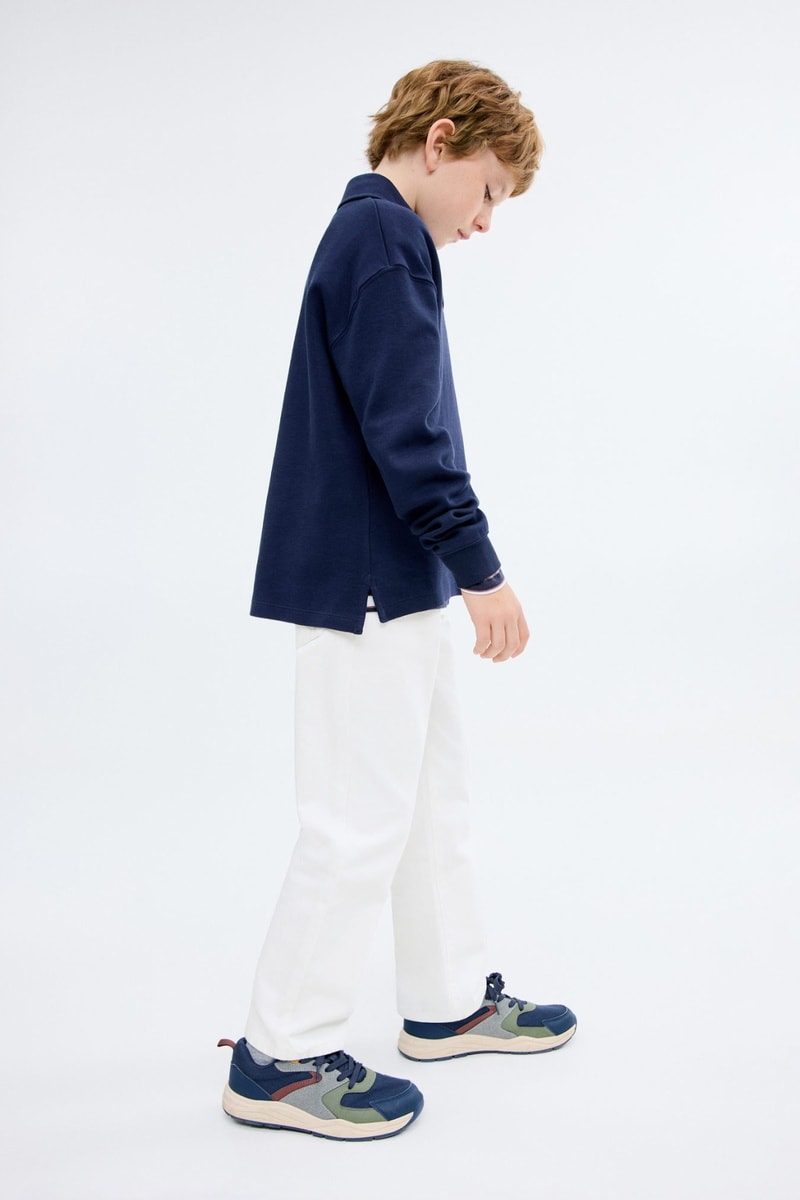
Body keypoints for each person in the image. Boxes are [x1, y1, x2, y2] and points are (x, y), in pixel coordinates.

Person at [218, 59, 576, 1142]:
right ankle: (279, 1057)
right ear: (440, 139)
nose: (485, 220)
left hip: (396, 579)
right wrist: (484, 571)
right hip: (367, 582)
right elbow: (408, 434)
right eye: (489, 189)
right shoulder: (381, 239)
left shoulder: (384, 239)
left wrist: (447, 570)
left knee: (428, 807)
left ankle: (447, 1002)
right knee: (355, 824)